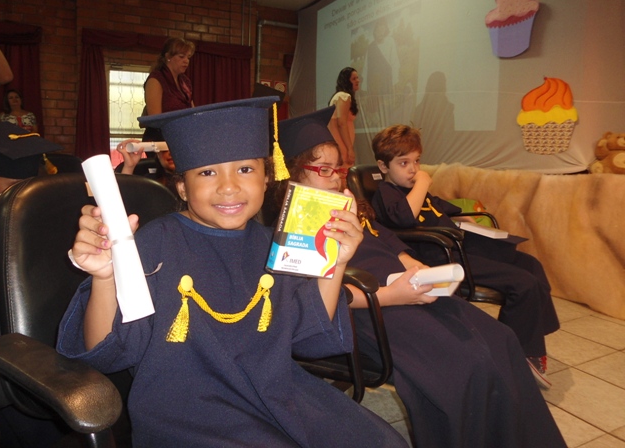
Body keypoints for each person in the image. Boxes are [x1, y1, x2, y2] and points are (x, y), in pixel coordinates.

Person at [57, 97, 408, 447]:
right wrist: (105, 277)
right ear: (182, 186)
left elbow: (309, 337)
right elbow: (108, 352)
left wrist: (336, 262)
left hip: (277, 396)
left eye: (245, 170)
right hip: (188, 415)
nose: (228, 187)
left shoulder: (275, 245)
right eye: (207, 172)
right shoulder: (154, 245)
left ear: (267, 178)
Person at [272, 107, 566, 448]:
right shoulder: (293, 227)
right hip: (370, 308)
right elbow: (315, 300)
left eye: (338, 169)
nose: (337, 179)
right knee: (463, 365)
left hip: (406, 287)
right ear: (292, 173)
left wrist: (413, 264)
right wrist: (391, 295)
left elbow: (385, 237)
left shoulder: (345, 202)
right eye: (324, 170)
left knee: (501, 339)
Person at [370, 124, 560, 389]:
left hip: (463, 246)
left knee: (531, 264)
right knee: (522, 283)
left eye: (416, 161)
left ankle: (532, 333)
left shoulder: (416, 191)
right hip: (443, 257)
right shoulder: (386, 193)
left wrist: (463, 218)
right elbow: (405, 217)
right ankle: (518, 354)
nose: (413, 169)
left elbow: (441, 207)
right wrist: (423, 182)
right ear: (383, 166)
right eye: (404, 163)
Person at [0, 122, 66, 447]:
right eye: (13, 185)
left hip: (41, 328)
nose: (23, 193)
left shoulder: (35, 212)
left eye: (29, 184)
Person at [141, 37, 195, 142]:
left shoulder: (185, 81)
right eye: (181, 57)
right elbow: (155, 120)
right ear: (168, 57)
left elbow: (193, 112)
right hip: (159, 140)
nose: (186, 61)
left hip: (180, 138)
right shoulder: (155, 80)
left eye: (188, 57)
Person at [115, 134, 181, 201]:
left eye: (174, 149)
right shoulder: (148, 182)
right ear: (157, 154)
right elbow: (125, 200)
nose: (170, 153)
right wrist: (129, 167)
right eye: (164, 149)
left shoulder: (187, 180)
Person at [328, 67, 359, 169]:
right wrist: (349, 149)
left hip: (341, 145)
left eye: (357, 78)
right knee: (342, 173)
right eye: (354, 79)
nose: (358, 81)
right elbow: (341, 123)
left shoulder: (342, 96)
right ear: (346, 81)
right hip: (341, 145)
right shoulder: (343, 96)